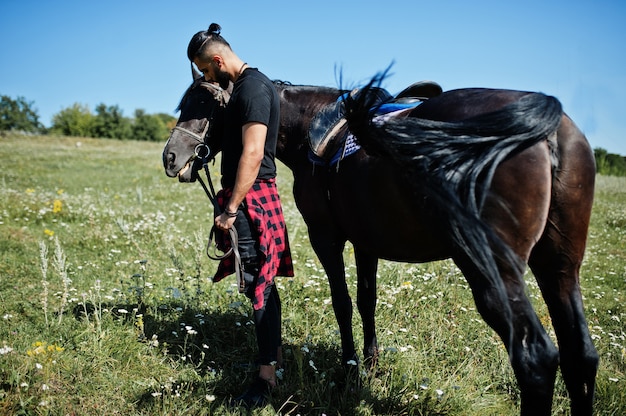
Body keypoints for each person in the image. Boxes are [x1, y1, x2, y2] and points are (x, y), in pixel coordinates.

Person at [186, 23, 294, 408]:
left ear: (217, 60)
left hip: (250, 198)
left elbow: (253, 152)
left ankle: (266, 380)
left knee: (257, 283)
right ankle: (275, 358)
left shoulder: (252, 88)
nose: (205, 77)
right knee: (261, 280)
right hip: (247, 195)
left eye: (205, 70)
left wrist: (231, 209)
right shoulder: (247, 88)